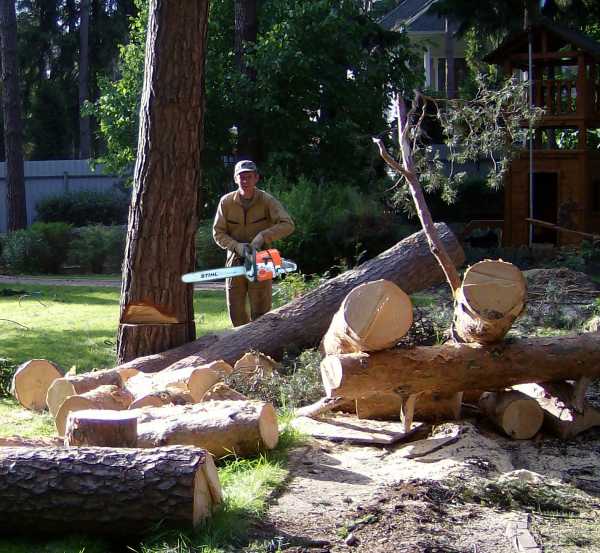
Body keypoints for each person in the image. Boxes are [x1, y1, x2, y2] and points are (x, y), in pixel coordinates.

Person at [213, 160, 295, 327]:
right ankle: (238, 349)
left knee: (262, 311)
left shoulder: (267, 200)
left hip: (262, 258)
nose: (245, 181)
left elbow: (288, 225)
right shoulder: (226, 202)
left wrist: (263, 236)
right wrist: (237, 246)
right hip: (235, 259)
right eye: (241, 177)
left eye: (249, 176)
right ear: (235, 179)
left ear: (256, 178)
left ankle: (262, 349)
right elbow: (218, 232)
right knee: (236, 310)